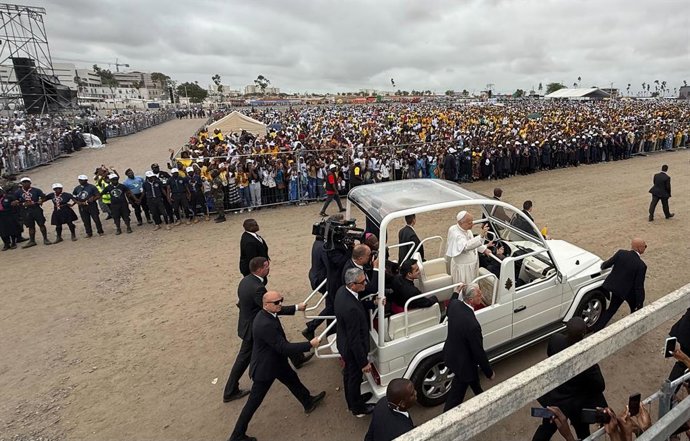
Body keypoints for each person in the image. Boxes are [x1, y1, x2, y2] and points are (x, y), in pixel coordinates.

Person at [227, 290, 326, 441]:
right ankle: (237, 436)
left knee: (293, 380)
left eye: (281, 300)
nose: (280, 304)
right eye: (277, 302)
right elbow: (284, 347)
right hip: (265, 369)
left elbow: (282, 311)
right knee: (253, 403)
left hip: (275, 362)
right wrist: (309, 344)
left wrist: (296, 307)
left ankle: (307, 401)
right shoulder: (265, 324)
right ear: (266, 305)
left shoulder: (267, 314)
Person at [223, 257, 313, 404]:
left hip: (248, 325)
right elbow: (272, 308)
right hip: (254, 329)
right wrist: (296, 307)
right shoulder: (258, 288)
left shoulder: (246, 280)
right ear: (259, 269)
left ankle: (297, 359)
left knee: (272, 345)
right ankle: (230, 390)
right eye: (266, 267)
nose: (268, 268)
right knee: (244, 359)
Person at [533, 317, 607, 441]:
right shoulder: (587, 359)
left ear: (566, 330)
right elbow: (600, 385)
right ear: (584, 334)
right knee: (582, 430)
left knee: (546, 427)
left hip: (556, 397)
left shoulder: (555, 340)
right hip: (577, 403)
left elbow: (550, 355)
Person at [335, 267, 381, 417]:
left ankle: (353, 401)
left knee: (348, 376)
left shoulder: (342, 291)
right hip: (351, 349)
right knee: (354, 378)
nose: (366, 284)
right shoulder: (351, 309)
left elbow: (359, 304)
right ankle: (357, 407)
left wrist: (374, 303)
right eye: (362, 282)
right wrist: (364, 363)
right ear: (352, 284)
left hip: (343, 343)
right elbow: (355, 340)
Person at [443, 284, 494, 412]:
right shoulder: (472, 325)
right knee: (455, 397)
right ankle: (444, 420)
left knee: (474, 380)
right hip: (464, 364)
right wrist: (489, 372)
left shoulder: (455, 305)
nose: (481, 296)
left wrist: (455, 292)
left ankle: (482, 400)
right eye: (478, 295)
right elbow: (478, 352)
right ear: (470, 300)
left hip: (452, 354)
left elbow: (449, 306)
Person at [592, 238, 647, 331]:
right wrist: (640, 300)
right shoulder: (641, 265)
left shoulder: (621, 253)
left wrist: (602, 266)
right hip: (628, 291)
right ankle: (634, 327)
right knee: (636, 310)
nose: (645, 248)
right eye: (645, 246)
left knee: (611, 309)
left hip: (615, 287)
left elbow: (606, 264)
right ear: (639, 248)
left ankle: (597, 328)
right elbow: (638, 286)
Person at [446, 211, 493, 286]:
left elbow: (472, 242)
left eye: (472, 222)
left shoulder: (467, 230)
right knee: (465, 287)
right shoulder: (455, 233)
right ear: (461, 223)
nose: (472, 224)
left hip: (472, 265)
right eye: (469, 223)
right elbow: (466, 246)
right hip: (463, 268)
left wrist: (484, 249)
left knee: (473, 285)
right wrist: (481, 236)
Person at [12, 177, 52, 248]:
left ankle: (45, 239)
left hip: (36, 209)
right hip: (25, 211)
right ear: (21, 184)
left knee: (41, 224)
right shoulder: (17, 192)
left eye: (27, 182)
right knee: (30, 226)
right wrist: (21, 204)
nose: (25, 183)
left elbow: (44, 197)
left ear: (30, 183)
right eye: (24, 182)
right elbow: (14, 202)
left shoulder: (36, 190)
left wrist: (41, 201)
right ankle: (32, 240)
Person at [0, 186, 20, 250]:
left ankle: (13, 242)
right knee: (2, 231)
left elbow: (16, 203)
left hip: (9, 215)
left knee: (12, 229)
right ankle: (6, 244)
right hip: (0, 216)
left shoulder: (9, 197)